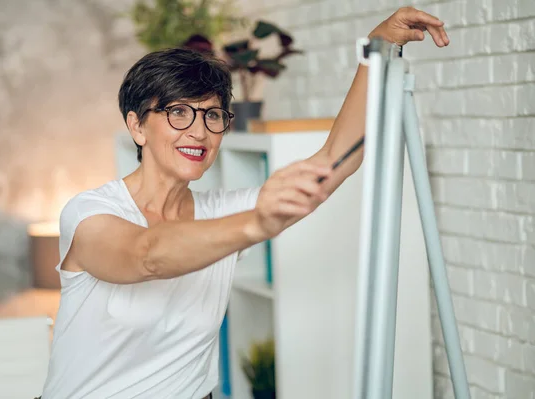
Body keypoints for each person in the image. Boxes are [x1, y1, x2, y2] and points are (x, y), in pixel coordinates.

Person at [40, 7, 449, 399]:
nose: (199, 132)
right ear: (137, 125)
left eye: (213, 116)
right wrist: (258, 223)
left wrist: (376, 48)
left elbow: (333, 162)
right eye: (179, 112)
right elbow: (147, 255)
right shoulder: (89, 213)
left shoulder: (222, 212)